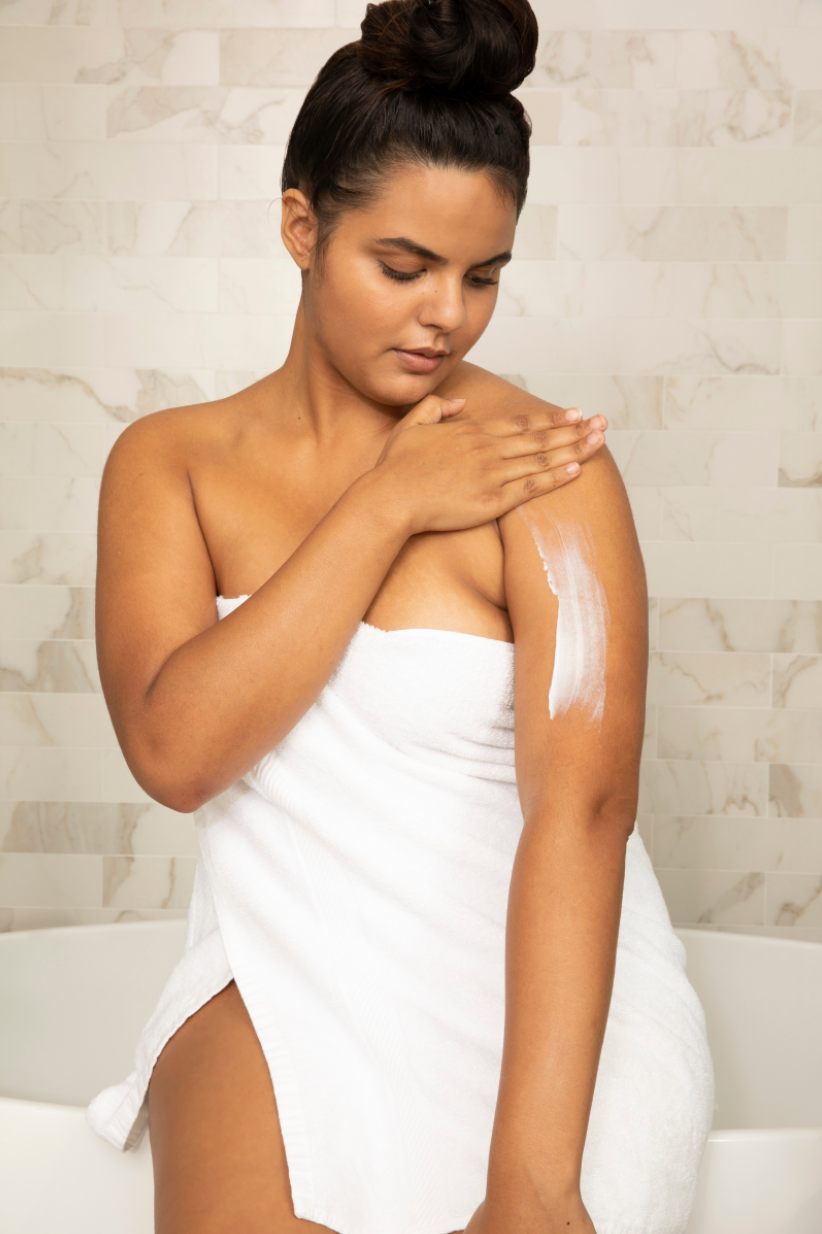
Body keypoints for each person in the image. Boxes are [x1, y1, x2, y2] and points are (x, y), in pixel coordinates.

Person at [85, 2, 715, 1232]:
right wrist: (384, 507)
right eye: (404, 266)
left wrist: (532, 1185)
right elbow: (176, 751)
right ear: (301, 226)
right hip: (278, 964)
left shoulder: (549, 473)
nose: (447, 318)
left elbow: (584, 808)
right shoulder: (170, 466)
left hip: (552, 999)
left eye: (484, 276)